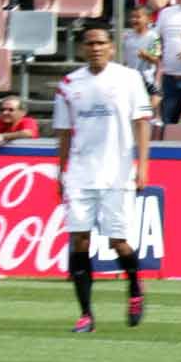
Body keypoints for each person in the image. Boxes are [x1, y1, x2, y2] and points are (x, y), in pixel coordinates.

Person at [53, 20, 150, 332]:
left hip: (118, 173)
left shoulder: (129, 79)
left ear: (111, 47)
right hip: (81, 174)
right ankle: (86, 314)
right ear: (82, 48)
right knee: (79, 240)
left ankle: (135, 288)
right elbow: (65, 133)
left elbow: (142, 123)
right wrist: (61, 171)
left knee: (118, 241)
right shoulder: (69, 84)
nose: (95, 48)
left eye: (100, 43)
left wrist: (143, 165)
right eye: (90, 43)